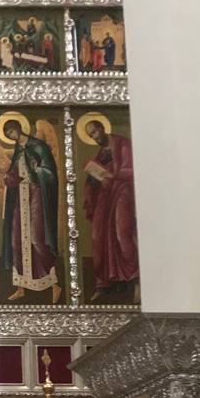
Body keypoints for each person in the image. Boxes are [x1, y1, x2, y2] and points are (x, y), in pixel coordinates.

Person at [0, 118, 60, 302]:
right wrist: (9, 178)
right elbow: (14, 174)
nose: (11, 135)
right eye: (8, 134)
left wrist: (38, 171)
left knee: (36, 239)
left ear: (19, 129)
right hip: (20, 198)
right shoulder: (18, 150)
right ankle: (21, 287)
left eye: (11, 131)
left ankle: (54, 285)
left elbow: (50, 173)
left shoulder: (38, 146)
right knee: (17, 241)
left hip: (36, 195)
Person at [81, 118, 139, 302]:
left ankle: (136, 280)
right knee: (98, 237)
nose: (94, 137)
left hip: (123, 191)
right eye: (91, 135)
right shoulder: (99, 155)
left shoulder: (122, 144)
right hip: (105, 197)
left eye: (95, 132)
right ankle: (103, 284)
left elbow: (132, 169)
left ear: (102, 128)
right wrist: (92, 183)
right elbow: (94, 179)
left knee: (122, 234)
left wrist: (112, 175)